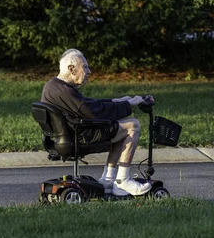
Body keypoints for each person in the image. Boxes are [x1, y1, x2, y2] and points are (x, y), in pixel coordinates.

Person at [41, 48, 151, 196]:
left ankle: (108, 180)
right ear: (71, 69)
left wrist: (115, 101)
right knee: (133, 125)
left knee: (120, 128)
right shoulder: (64, 91)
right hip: (80, 135)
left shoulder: (53, 86)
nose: (89, 71)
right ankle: (123, 181)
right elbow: (94, 112)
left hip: (69, 134)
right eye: (85, 67)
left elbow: (87, 104)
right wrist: (128, 105)